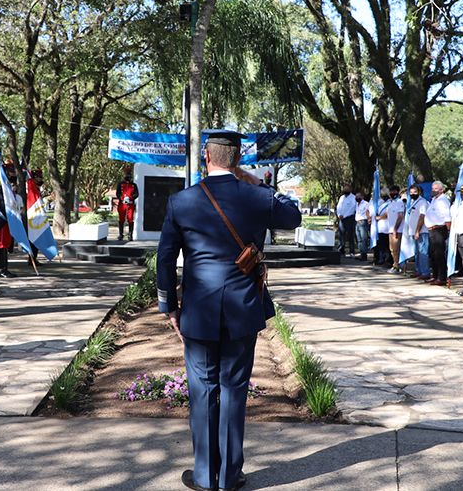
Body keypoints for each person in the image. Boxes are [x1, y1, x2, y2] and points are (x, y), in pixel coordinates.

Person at [156, 129, 301, 491]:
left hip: (199, 311)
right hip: (242, 309)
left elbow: (165, 258)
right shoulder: (256, 196)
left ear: (207, 157)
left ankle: (206, 476)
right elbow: (293, 215)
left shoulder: (182, 201)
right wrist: (258, 183)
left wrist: (169, 306)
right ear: (237, 161)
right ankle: (230, 476)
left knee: (203, 389)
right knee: (234, 389)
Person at [425, 181, 452, 285]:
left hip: (439, 230)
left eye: (436, 189)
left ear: (441, 190)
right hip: (432, 230)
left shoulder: (443, 201)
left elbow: (447, 217)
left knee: (439, 254)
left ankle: (442, 277)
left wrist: (448, 230)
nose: (433, 190)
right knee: (432, 254)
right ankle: (435, 275)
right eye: (433, 188)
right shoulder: (434, 200)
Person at [406, 185, 429, 278]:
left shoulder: (422, 202)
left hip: (421, 231)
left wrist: (417, 231)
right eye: (411, 193)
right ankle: (418, 270)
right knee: (416, 252)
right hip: (413, 232)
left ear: (419, 192)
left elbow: (422, 217)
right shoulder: (412, 201)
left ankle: (425, 272)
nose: (412, 194)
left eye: (415, 192)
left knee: (423, 252)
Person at [115, 171, 140, 242]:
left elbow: (137, 194)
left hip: (130, 204)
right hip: (122, 204)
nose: (128, 176)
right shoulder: (120, 184)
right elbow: (118, 193)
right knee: (121, 219)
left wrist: (131, 198)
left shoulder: (134, 185)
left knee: (130, 219)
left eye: (129, 175)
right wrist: (122, 198)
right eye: (127, 175)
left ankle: (130, 235)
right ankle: (120, 234)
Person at [386, 186, 405, 273]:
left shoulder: (399, 202)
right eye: (391, 191)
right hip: (390, 229)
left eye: (394, 191)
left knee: (396, 249)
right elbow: (387, 214)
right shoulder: (390, 202)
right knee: (392, 249)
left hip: (397, 230)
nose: (392, 193)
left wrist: (395, 229)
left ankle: (398, 266)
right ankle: (395, 264)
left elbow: (400, 216)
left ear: (397, 192)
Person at [336, 183, 356, 257]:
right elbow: (338, 207)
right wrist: (339, 215)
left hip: (350, 218)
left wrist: (345, 215)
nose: (346, 190)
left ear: (350, 189)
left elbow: (353, 208)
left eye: (347, 189)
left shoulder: (353, 198)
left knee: (350, 235)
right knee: (341, 235)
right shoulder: (341, 197)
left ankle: (352, 252)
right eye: (345, 188)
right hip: (342, 219)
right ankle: (342, 250)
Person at [373, 187, 392, 266]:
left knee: (388, 245)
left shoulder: (390, 202)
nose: (383, 195)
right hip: (380, 227)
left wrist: (379, 217)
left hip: (387, 227)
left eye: (384, 194)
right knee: (381, 245)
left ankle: (389, 260)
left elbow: (388, 213)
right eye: (382, 194)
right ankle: (381, 259)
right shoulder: (380, 202)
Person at [354, 191, 371, 261]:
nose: (357, 198)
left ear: (362, 197)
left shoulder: (366, 203)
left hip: (363, 222)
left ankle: (364, 255)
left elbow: (368, 212)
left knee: (364, 239)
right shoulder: (356, 204)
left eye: (358, 196)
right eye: (356, 196)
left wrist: (369, 219)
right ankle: (361, 253)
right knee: (359, 239)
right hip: (357, 222)